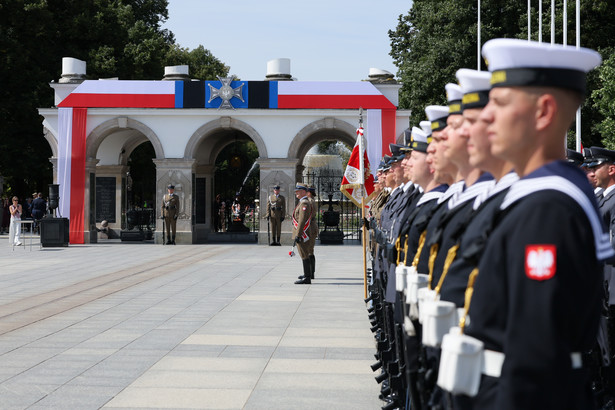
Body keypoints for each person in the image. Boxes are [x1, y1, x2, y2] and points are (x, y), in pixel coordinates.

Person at [462, 38, 609, 409]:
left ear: (544, 111)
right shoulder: (539, 199)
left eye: (500, 103)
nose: (487, 117)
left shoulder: (548, 208)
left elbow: (534, 357)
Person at [292, 184, 314, 285]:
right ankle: (307, 275)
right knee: (304, 254)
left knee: (304, 254)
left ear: (304, 192)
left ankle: (307, 277)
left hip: (302, 233)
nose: (296, 192)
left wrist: (298, 234)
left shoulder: (304, 203)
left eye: (298, 191)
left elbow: (301, 220)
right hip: (301, 232)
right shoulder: (302, 202)